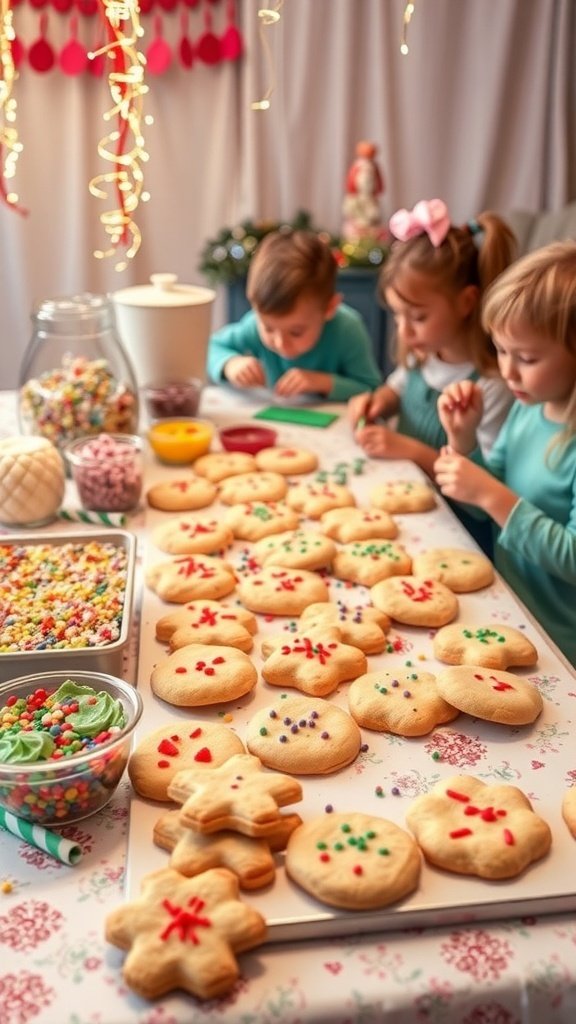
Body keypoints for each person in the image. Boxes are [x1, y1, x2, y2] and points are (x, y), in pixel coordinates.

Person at [434, 240, 576, 666]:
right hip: (508, 613)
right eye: (500, 350)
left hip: (559, 644)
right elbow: (483, 507)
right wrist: (464, 441)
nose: (507, 370)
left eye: (527, 357)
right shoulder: (528, 409)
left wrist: (491, 494)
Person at [347, 198, 517, 552]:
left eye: (418, 317)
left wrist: (412, 451)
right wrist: (377, 401)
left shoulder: (492, 384)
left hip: (459, 535)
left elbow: (482, 494)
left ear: (467, 302)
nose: (404, 332)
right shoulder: (424, 352)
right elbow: (399, 388)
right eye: (397, 316)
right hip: (410, 512)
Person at [206, 229, 382, 401]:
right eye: (268, 328)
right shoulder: (253, 324)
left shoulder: (347, 329)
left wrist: (322, 382)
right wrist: (230, 363)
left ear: (329, 308)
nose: (281, 343)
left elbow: (372, 388)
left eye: (296, 332)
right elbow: (209, 348)